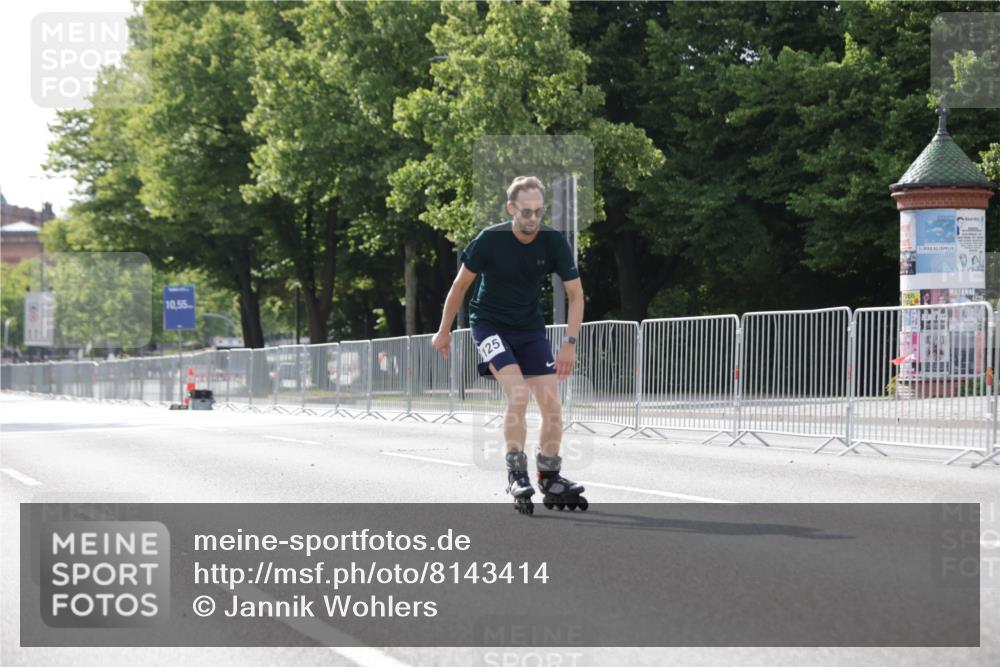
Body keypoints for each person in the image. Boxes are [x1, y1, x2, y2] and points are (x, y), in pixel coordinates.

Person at [431, 176, 587, 513]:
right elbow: (459, 287)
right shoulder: (489, 240)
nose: (532, 219)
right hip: (489, 325)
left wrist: (569, 343)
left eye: (538, 213)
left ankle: (549, 475)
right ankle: (516, 472)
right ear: (511, 208)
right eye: (526, 212)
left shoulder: (552, 242)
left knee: (552, 407)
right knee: (518, 394)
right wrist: (443, 330)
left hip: (530, 329)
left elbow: (575, 294)